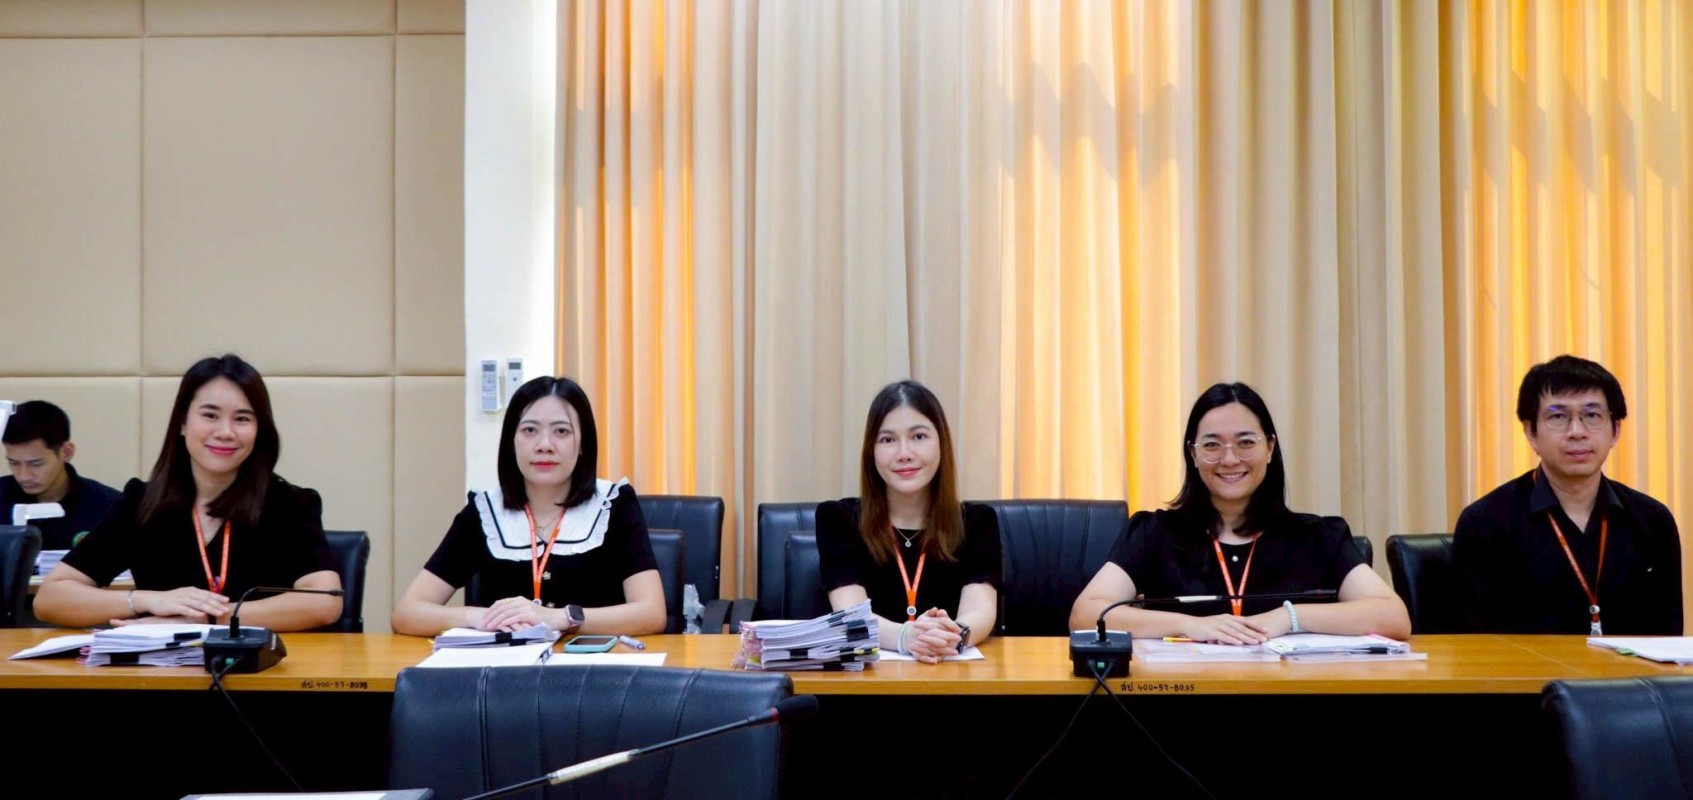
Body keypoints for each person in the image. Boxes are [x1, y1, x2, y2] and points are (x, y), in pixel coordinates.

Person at [1070, 382, 1409, 643]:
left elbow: (1393, 616)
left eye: (1246, 442)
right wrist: (1192, 626)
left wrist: (1288, 617)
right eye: (1212, 445)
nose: (1230, 459)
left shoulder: (1318, 537)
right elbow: (1087, 614)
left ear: (1270, 448)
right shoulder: (1155, 532)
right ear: (1193, 454)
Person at [35, 355, 342, 630]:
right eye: (210, 415)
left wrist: (209, 618)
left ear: (259, 430)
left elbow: (325, 601)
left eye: (242, 419)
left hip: (261, 668)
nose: (225, 432)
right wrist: (145, 600)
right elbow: (50, 599)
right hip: (163, 669)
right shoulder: (143, 503)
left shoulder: (289, 503)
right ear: (182, 422)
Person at [392, 376, 665, 637]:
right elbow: (406, 614)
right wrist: (481, 617)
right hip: (507, 666)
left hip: (590, 665)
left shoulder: (613, 505)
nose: (544, 445)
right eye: (530, 430)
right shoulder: (486, 512)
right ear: (511, 442)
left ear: (583, 443)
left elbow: (651, 613)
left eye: (561, 431)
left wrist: (559, 617)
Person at [1453, 355, 1682, 635]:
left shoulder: (1653, 521)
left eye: (1592, 416)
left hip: (1626, 666)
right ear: (1531, 431)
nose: (1576, 432)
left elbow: (1667, 640)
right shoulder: (1485, 523)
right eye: (1558, 417)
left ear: (1615, 430)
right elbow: (1479, 646)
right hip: (1525, 666)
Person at [816, 380, 1001, 664]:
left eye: (918, 436)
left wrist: (954, 636)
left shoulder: (976, 522)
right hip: (865, 684)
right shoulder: (839, 520)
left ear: (941, 443)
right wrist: (906, 637)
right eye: (888, 440)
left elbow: (981, 610)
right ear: (871, 450)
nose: (904, 453)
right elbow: (851, 614)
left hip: (952, 680)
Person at [2, 400, 121, 550]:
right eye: (14, 463)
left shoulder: (109, 508)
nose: (24, 476)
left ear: (66, 452)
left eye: (36, 464)